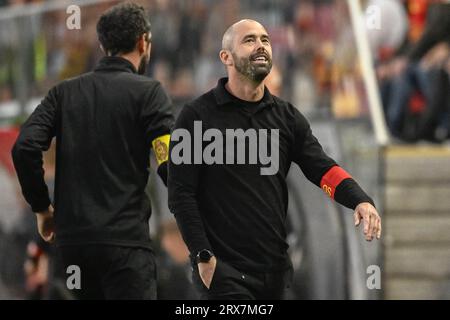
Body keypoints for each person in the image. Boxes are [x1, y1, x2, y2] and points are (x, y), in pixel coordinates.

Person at [168, 19, 381, 300]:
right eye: (249, 40)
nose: (260, 46)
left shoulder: (287, 117)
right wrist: (202, 254)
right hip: (224, 273)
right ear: (226, 57)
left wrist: (359, 199)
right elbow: (180, 194)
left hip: (274, 273)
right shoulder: (196, 116)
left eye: (265, 40)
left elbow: (322, 168)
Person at [12, 3, 174, 300]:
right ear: (143, 42)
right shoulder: (149, 93)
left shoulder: (64, 93)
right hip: (125, 250)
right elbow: (171, 164)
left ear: (102, 45)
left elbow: (24, 147)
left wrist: (41, 208)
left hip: (74, 251)